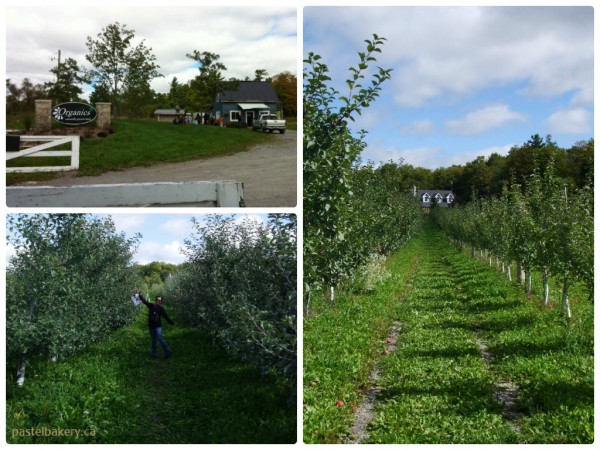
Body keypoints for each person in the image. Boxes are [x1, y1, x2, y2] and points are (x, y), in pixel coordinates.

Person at [137, 289, 175, 358]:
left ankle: (168, 351)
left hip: (158, 327)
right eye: (158, 300)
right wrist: (139, 294)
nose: (159, 301)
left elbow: (166, 317)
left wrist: (172, 323)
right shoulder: (151, 306)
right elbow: (144, 301)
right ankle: (154, 354)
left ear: (161, 302)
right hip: (151, 326)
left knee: (160, 338)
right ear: (156, 300)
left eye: (160, 300)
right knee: (153, 340)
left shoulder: (161, 309)